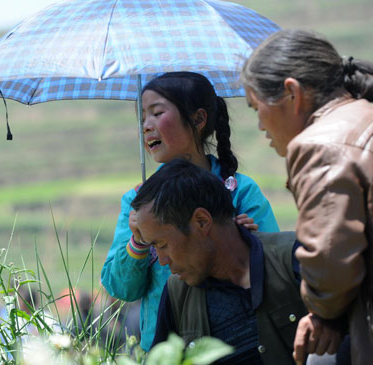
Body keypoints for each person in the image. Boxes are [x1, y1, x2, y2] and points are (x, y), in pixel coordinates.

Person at [101, 72, 280, 351]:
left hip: (238, 344)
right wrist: (138, 241)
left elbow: (273, 271)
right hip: (164, 350)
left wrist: (247, 242)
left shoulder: (241, 193)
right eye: (143, 118)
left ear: (198, 119)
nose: (146, 126)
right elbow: (122, 289)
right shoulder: (137, 203)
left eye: (157, 113)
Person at [241, 29, 373, 365]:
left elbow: (330, 261)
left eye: (257, 107)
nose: (259, 125)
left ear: (291, 93)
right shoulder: (364, 114)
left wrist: (323, 314)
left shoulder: (320, 145)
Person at [131, 159, 314, 364]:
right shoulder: (177, 296)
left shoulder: (295, 259)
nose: (162, 260)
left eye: (162, 244)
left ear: (201, 221)